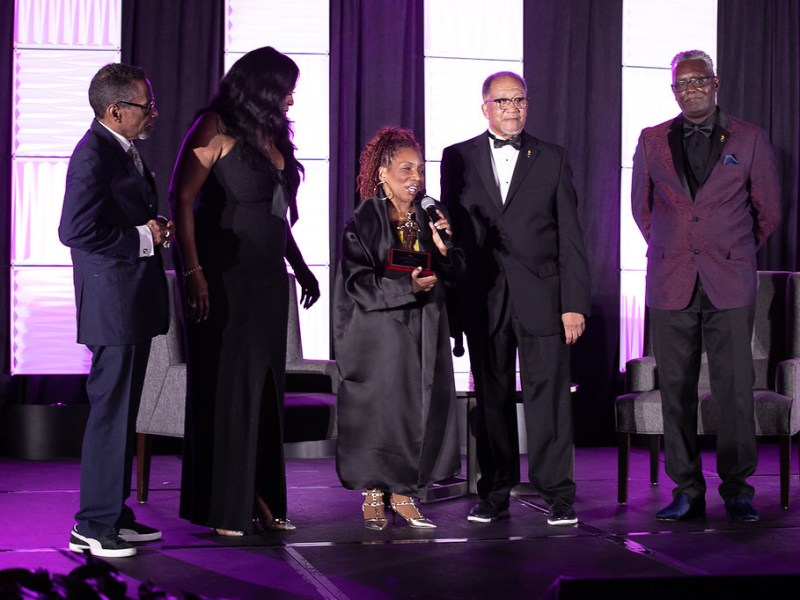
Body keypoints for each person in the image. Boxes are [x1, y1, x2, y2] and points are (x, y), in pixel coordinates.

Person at [170, 46, 319, 536]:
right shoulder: (214, 126)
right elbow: (181, 198)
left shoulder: (272, 134)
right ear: (261, 87)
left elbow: (275, 214)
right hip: (223, 279)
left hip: (268, 282)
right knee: (230, 389)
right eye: (285, 90)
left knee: (265, 391)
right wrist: (193, 271)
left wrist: (301, 266)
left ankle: (262, 497)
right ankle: (226, 505)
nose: (291, 99)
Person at [631, 50, 781, 523]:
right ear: (673, 91)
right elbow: (642, 209)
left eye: (699, 81)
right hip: (671, 280)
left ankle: (737, 490)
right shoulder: (652, 139)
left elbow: (769, 210)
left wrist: (732, 250)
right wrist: (677, 247)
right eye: (682, 83)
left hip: (729, 280)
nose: (691, 89)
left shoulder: (749, 138)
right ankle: (687, 489)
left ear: (715, 83)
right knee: (675, 389)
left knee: (735, 389)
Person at [441, 71, 590, 527]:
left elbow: (571, 235)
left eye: (519, 100)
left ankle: (558, 493)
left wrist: (573, 303)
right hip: (483, 297)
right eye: (503, 100)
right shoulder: (456, 156)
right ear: (484, 106)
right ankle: (494, 491)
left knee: (550, 398)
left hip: (544, 295)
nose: (512, 108)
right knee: (492, 397)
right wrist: (455, 304)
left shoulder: (553, 157)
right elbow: (452, 236)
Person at [59, 63, 172, 558]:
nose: (153, 113)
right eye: (147, 105)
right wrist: (142, 238)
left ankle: (114, 514)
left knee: (124, 415)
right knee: (111, 415)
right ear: (115, 110)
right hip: (113, 305)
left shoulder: (120, 148)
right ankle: (92, 524)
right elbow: (74, 230)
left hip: (131, 301)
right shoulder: (93, 154)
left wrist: (150, 228)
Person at [334, 126, 464, 530]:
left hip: (425, 325)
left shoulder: (430, 215)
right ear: (383, 173)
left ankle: (406, 492)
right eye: (406, 168)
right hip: (381, 328)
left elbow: (456, 272)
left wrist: (445, 250)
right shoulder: (366, 219)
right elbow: (356, 281)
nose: (416, 177)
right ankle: (374, 492)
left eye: (420, 169)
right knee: (382, 410)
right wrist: (406, 287)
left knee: (419, 409)